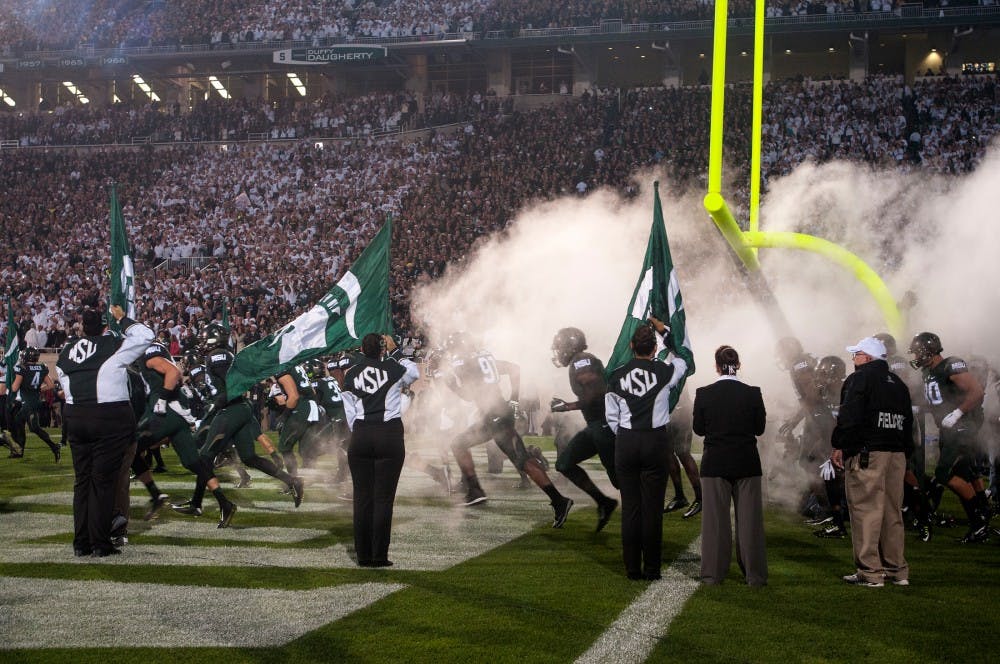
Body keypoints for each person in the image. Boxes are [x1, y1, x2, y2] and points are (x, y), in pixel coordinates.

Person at [442, 331, 573, 526]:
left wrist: (452, 385)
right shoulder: (482, 356)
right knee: (465, 445)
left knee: (520, 459)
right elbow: (514, 368)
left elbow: (469, 396)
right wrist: (513, 399)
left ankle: (558, 500)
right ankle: (475, 490)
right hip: (497, 412)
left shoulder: (465, 362)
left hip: (495, 415)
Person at [55, 306, 153, 557]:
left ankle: (81, 543)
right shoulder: (113, 344)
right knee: (103, 481)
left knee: (82, 481)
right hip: (109, 417)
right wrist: (123, 318)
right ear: (104, 327)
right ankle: (100, 543)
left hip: (75, 416)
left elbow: (62, 374)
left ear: (82, 328)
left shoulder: (67, 351)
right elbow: (145, 335)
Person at [605, 319, 688, 581]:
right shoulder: (665, 371)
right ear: (654, 349)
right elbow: (683, 357)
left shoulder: (616, 375)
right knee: (653, 508)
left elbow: (611, 418)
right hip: (655, 442)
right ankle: (652, 569)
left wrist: (627, 435)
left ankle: (632, 568)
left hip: (627, 441)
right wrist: (665, 333)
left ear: (631, 346)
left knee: (630, 507)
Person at [832, 336, 913, 587]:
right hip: (896, 454)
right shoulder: (898, 383)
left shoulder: (859, 379)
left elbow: (850, 417)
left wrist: (841, 445)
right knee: (892, 512)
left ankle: (870, 572)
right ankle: (896, 570)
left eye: (856, 354)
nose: (853, 358)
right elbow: (909, 423)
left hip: (869, 452)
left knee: (866, 511)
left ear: (867, 357)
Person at [340, 333, 420, 567]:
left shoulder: (351, 373)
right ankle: (379, 555)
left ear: (363, 350)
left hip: (362, 433)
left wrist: (362, 431)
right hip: (389, 434)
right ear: (383, 349)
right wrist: (396, 352)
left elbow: (349, 412)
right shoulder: (394, 369)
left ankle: (363, 555)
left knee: (362, 498)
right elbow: (414, 373)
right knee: (383, 499)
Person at [693, 344, 767, 587]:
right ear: (738, 365)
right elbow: (759, 429)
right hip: (747, 462)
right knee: (750, 524)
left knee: (715, 523)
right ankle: (754, 576)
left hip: (715, 463)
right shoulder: (753, 393)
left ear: (716, 366)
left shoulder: (704, 393)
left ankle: (713, 575)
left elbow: (699, 429)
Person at [908, 332, 989, 543]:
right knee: (962, 474)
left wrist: (958, 413)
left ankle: (979, 522)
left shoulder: (950, 365)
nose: (916, 356)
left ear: (929, 351)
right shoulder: (929, 372)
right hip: (949, 429)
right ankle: (981, 517)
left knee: (943, 475)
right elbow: (938, 398)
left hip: (962, 427)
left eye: (918, 352)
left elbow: (977, 391)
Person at [549, 326, 619, 532]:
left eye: (560, 347)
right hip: (596, 426)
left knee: (620, 480)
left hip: (604, 425)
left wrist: (568, 406)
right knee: (564, 463)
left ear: (569, 346)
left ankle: (644, 520)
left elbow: (596, 393)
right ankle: (604, 502)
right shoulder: (580, 360)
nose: (558, 351)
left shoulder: (581, 360)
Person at [10, 346, 62, 461]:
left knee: (33, 428)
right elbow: (51, 385)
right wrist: (38, 389)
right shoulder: (42, 367)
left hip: (28, 402)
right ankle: (19, 451)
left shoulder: (22, 368)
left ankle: (54, 447)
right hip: (35, 400)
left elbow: (14, 388)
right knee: (18, 422)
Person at [662, 390, 702, 519]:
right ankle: (680, 496)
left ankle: (700, 498)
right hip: (669, 412)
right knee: (667, 453)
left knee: (683, 453)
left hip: (680, 410)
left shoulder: (675, 369)